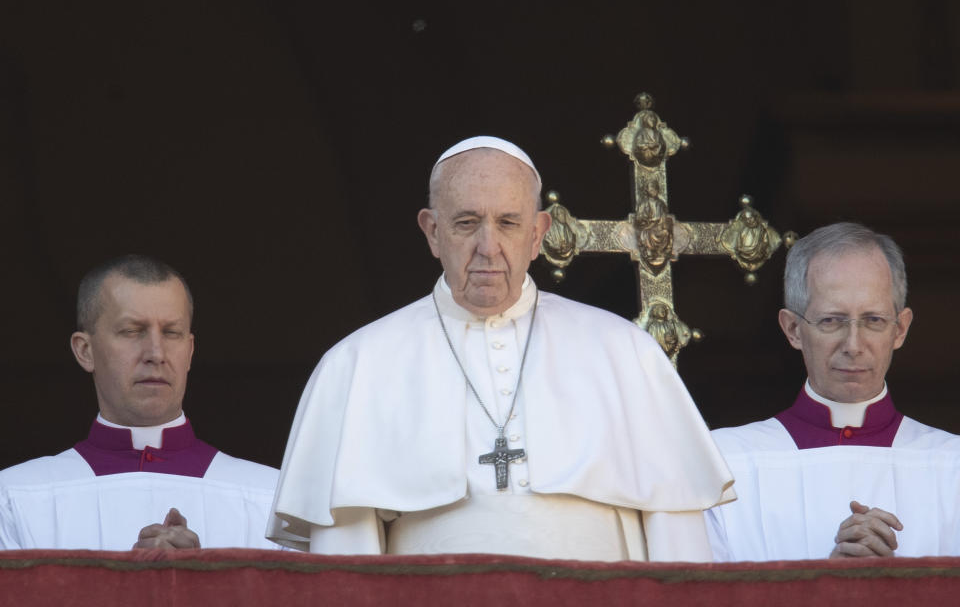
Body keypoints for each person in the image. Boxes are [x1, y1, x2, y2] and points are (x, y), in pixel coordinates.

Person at [268, 136, 734, 561]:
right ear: (432, 231)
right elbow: (346, 561)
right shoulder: (358, 365)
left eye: (508, 223)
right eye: (466, 223)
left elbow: (679, 544)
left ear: (537, 234)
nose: (488, 247)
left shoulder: (625, 352)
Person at [706, 222, 960, 561]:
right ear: (793, 329)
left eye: (873, 320)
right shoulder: (724, 468)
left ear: (899, 329)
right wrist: (827, 587)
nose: (853, 346)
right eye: (831, 321)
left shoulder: (952, 467)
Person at [0, 255, 283, 550]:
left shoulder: (274, 502)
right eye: (132, 331)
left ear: (189, 351)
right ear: (85, 351)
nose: (156, 353)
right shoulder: (15, 499)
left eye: (171, 333)